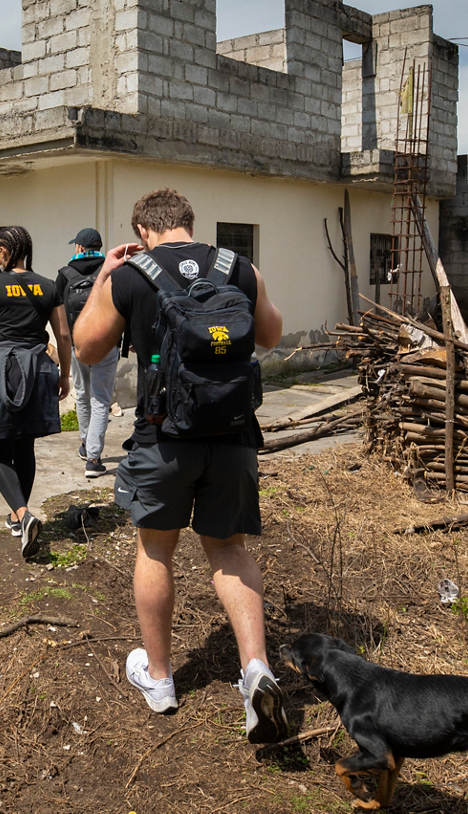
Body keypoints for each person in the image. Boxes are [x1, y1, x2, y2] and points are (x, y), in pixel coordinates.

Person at [71, 188, 289, 744]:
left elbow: (87, 348)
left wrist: (102, 281)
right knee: (230, 549)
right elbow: (270, 334)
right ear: (190, 224)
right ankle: (256, 670)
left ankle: (162, 679)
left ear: (143, 231)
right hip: (235, 435)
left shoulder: (130, 274)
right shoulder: (238, 267)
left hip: (163, 438)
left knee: (156, 548)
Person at [0, 226, 72, 558]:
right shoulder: (48, 285)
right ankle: (17, 518)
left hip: (2, 371)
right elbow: (64, 336)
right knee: (24, 445)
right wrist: (65, 376)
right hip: (38, 369)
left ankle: (23, 515)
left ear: (2, 251)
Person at [55, 227, 120, 479]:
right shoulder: (113, 270)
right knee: (101, 398)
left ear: (80, 248)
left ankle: (85, 445)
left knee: (82, 393)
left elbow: (59, 315)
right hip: (107, 342)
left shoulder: (64, 274)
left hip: (77, 344)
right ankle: (93, 459)